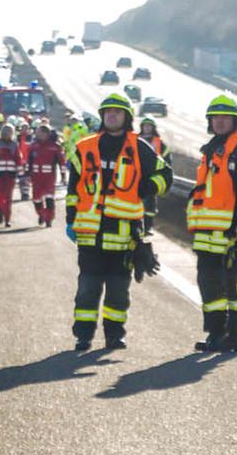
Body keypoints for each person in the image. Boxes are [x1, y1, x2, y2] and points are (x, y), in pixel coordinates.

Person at [64, 93, 171, 351]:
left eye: (118, 112)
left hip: (124, 236)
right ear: (102, 117)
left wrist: (147, 188)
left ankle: (114, 335)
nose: (112, 116)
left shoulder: (139, 148)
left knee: (118, 291)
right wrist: (70, 218)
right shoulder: (85, 147)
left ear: (127, 117)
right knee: (87, 288)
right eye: (108, 112)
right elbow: (73, 188)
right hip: (90, 234)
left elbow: (166, 175)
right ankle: (84, 335)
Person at [191, 95, 237, 353]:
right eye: (216, 117)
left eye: (225, 117)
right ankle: (216, 334)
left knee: (236, 286)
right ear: (210, 121)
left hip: (235, 234)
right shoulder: (211, 149)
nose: (220, 121)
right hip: (208, 236)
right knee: (209, 284)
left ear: (235, 120)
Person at [26, 122, 65, 227]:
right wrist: (27, 174)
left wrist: (63, 176)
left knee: (49, 198)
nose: (37, 134)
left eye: (39, 132)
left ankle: (49, 219)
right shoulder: (33, 146)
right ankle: (41, 214)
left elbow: (62, 162)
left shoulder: (55, 146)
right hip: (36, 177)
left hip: (49, 178)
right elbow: (28, 161)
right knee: (36, 199)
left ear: (46, 134)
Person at [0, 123, 22, 226]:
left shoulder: (14, 144)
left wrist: (21, 174)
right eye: (6, 131)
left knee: (8, 197)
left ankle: (7, 219)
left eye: (10, 131)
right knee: (0, 196)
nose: (7, 133)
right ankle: (1, 211)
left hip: (10, 175)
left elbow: (18, 159)